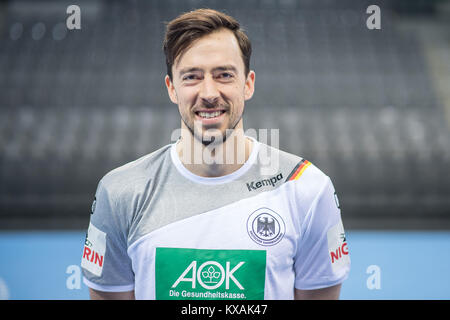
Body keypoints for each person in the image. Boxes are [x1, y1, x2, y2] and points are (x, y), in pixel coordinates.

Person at [81, 8, 350, 300]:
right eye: (192, 77)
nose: (209, 92)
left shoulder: (307, 188)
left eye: (223, 75)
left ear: (248, 84)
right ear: (172, 88)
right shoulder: (120, 191)